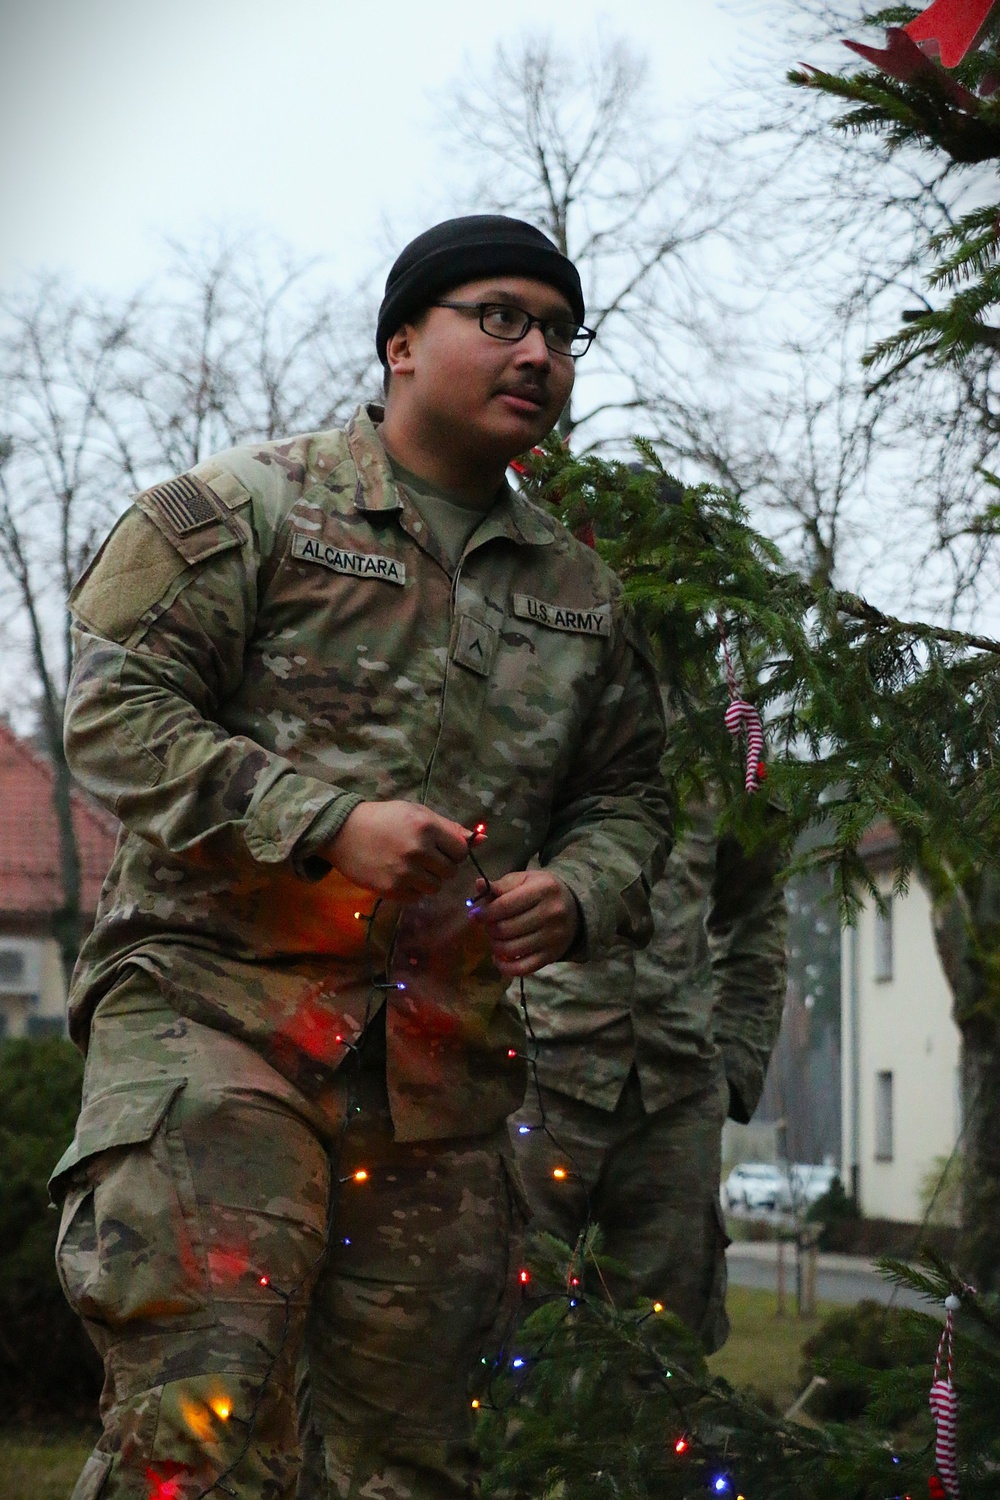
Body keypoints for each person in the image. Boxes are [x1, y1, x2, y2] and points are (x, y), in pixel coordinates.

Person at [51, 214, 672, 1500]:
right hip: (214, 1018)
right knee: (201, 1425)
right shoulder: (242, 512)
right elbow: (111, 715)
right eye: (500, 316)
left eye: (562, 331)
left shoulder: (579, 592)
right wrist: (323, 822)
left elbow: (629, 797)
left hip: (438, 1079)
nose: (540, 351)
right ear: (401, 341)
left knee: (411, 1463)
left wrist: (583, 888)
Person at [511, 798, 787, 1352]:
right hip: (532, 1084)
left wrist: (735, 1065)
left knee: (661, 1366)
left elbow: (756, 907)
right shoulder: (538, 711)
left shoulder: (724, 730)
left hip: (676, 1097)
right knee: (501, 1351)